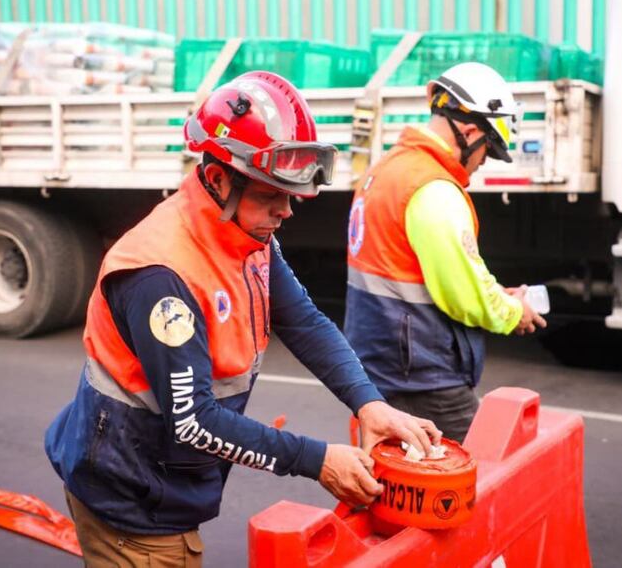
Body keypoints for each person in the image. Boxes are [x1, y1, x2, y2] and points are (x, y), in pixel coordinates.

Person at [45, 71, 440, 567]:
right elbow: (194, 422)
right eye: (271, 195)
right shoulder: (161, 277)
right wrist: (317, 461)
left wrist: (369, 405)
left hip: (157, 479)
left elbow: (304, 322)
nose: (286, 212)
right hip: (132, 504)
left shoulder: (246, 237)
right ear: (217, 179)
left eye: (290, 195)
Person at [344, 62, 547, 443]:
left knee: (395, 488)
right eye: (488, 149)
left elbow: (420, 271)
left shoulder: (388, 169)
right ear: (469, 131)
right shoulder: (432, 189)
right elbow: (461, 293)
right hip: (422, 380)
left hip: (381, 369)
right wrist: (513, 311)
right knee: (474, 482)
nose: (484, 161)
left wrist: (498, 293)